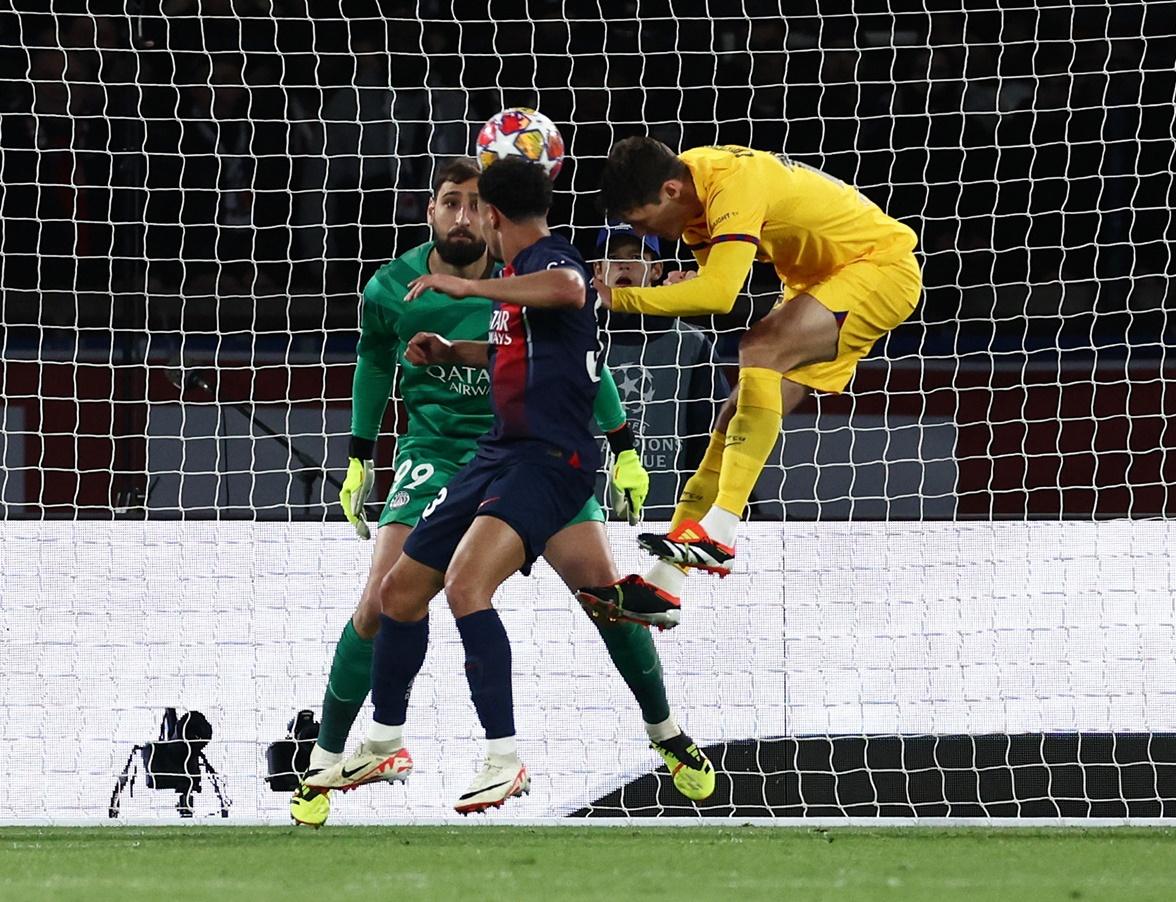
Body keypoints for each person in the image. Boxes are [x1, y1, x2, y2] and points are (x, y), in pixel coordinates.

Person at [300, 157, 714, 819]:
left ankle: (657, 730)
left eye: (474, 203)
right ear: (430, 210)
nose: (463, 216)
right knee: (391, 595)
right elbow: (397, 361)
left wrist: (625, 445)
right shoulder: (392, 287)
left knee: (581, 598)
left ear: (491, 213)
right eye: (449, 203)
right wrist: (360, 451)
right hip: (448, 453)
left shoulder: (534, 270)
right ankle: (343, 753)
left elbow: (574, 308)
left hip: (539, 457)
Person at [578, 139, 921, 627]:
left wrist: (623, 300)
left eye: (641, 220)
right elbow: (714, 280)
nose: (641, 231)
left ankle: (719, 532)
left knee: (759, 346)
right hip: (818, 284)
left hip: (877, 268)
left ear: (671, 190)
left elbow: (719, 295)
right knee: (732, 416)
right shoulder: (692, 198)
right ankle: (664, 584)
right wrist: (689, 282)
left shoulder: (730, 185)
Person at [593, 223, 728, 520]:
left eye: (636, 254)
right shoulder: (579, 340)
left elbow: (709, 437)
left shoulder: (692, 345)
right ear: (598, 272)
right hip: (587, 517)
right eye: (613, 257)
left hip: (668, 516)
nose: (624, 264)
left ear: (656, 270)